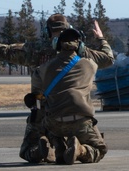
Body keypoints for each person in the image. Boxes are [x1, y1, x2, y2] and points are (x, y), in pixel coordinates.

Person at [0, 14, 114, 164]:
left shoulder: (35, 50)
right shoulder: (81, 53)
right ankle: (67, 148)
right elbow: (108, 59)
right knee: (94, 143)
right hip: (77, 112)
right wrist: (100, 38)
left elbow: (3, 50)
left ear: (46, 32)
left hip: (44, 109)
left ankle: (41, 151)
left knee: (27, 148)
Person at [31, 17, 114, 164]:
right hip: (80, 122)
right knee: (100, 149)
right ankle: (80, 150)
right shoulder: (89, 64)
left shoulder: (43, 68)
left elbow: (36, 98)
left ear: (57, 45)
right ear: (80, 46)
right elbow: (108, 58)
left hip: (54, 123)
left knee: (46, 119)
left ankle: (57, 145)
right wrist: (101, 38)